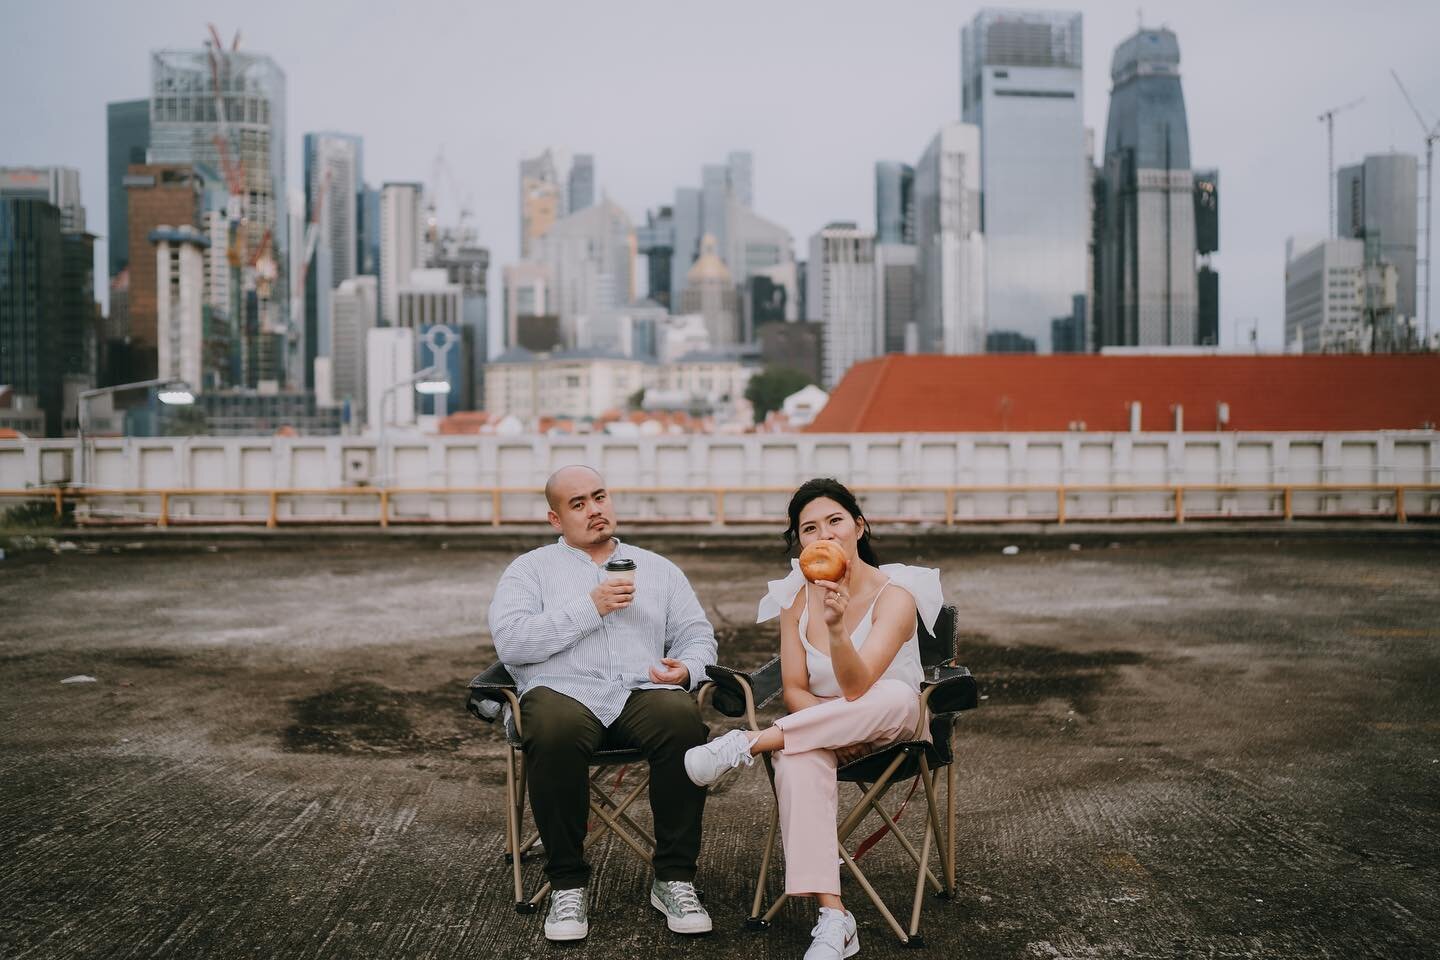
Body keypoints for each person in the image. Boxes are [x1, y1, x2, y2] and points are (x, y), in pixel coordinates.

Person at [684, 477, 943, 960]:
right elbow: (796, 688)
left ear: (859, 527)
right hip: (821, 731)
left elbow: (859, 688)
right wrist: (828, 728)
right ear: (799, 541)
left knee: (896, 695)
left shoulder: (898, 594)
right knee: (797, 761)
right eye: (808, 529)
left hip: (893, 727)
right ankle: (834, 918)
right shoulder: (795, 598)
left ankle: (748, 743)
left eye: (835, 521)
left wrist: (837, 627)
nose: (823, 534)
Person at [488, 465, 718, 942]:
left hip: (641, 690)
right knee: (551, 727)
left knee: (682, 719)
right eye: (578, 504)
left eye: (599, 497)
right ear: (556, 519)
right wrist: (591, 606)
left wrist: (687, 669)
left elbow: (697, 636)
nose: (594, 510)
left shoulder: (658, 568)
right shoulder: (529, 570)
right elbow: (512, 644)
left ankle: (674, 878)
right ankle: (567, 884)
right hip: (562, 691)